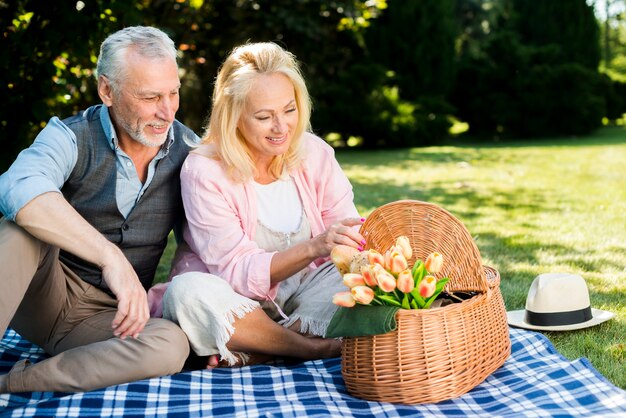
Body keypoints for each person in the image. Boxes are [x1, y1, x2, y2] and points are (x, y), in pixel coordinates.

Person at [0, 26, 196, 392]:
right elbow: (17, 186)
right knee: (15, 229)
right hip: (43, 294)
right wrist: (112, 258)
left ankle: (16, 383)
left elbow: (204, 248)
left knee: (171, 345)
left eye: (173, 93)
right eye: (151, 96)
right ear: (107, 90)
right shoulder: (69, 135)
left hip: (111, 318)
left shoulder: (191, 153)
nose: (166, 111)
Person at [148, 42, 365, 367]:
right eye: (264, 116)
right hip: (234, 301)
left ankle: (263, 346)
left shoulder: (315, 153)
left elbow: (351, 237)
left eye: (289, 110)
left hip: (305, 299)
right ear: (234, 116)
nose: (282, 128)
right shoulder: (204, 170)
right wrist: (313, 247)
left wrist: (354, 249)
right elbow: (235, 273)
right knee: (187, 293)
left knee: (368, 273)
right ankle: (308, 348)